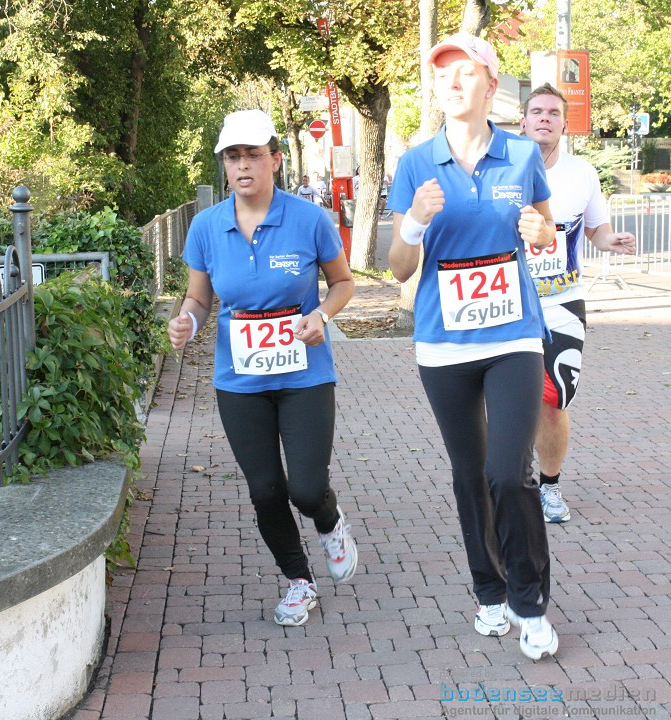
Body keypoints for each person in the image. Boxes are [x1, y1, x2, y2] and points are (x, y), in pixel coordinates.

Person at [387, 33, 559, 661]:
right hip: (444, 344)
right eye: (443, 77)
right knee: (468, 477)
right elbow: (399, 268)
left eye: (465, 74)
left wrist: (541, 231)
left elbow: (543, 231)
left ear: (491, 83)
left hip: (513, 335)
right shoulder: (414, 164)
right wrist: (413, 221)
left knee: (507, 474)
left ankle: (529, 600)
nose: (453, 84)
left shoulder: (520, 154)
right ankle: (488, 593)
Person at [168, 109, 358, 627]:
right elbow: (199, 299)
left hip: (305, 375)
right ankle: (299, 580)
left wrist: (322, 314)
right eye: (233, 156)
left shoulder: (308, 219)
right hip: (240, 380)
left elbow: (343, 283)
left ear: (275, 159)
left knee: (305, 488)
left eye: (253, 154)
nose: (243, 165)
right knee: (265, 490)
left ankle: (329, 518)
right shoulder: (207, 226)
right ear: (224, 166)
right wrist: (185, 320)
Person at [518, 83, 636, 523]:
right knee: (506, 397)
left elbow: (595, 230)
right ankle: (512, 481)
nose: (544, 118)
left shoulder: (581, 172)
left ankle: (550, 487)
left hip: (563, 302)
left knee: (554, 401)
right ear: (523, 121)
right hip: (510, 304)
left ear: (565, 124)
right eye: (537, 111)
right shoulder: (502, 168)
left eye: (553, 112)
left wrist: (612, 241)